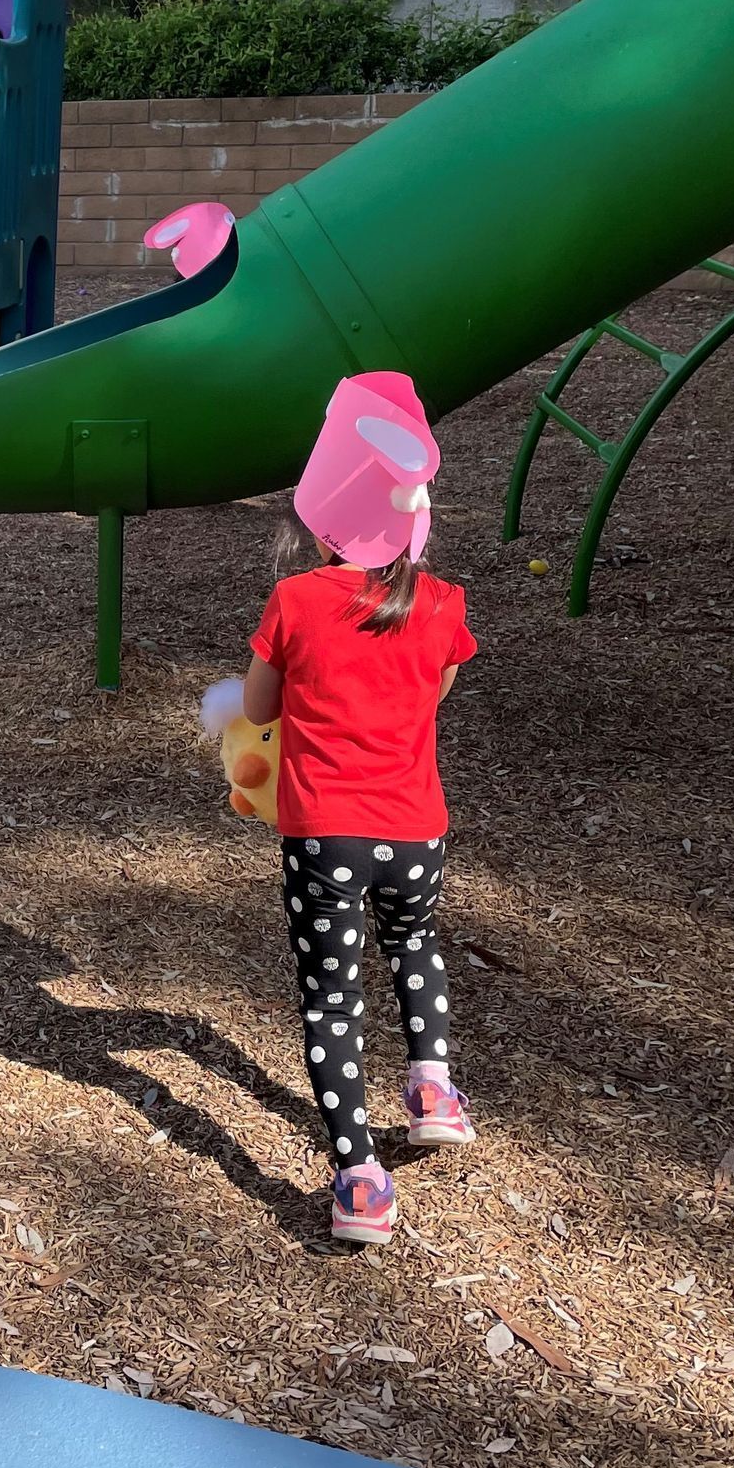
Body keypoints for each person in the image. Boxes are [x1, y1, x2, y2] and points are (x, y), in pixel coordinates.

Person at [243, 372, 478, 1246]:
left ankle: (358, 1177)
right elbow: (433, 694)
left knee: (332, 999)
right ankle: (432, 1087)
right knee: (415, 944)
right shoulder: (442, 603)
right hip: (416, 826)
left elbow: (261, 709)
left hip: (326, 831)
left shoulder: (297, 601)